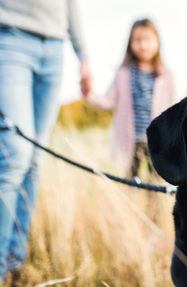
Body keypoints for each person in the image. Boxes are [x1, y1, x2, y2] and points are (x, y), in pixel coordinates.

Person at [0, 0, 92, 280]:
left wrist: (83, 55)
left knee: (34, 160)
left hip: (55, 47)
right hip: (10, 38)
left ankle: (15, 260)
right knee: (15, 154)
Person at [83, 19, 175, 180]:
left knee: (155, 182)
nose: (143, 45)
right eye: (138, 40)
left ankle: (153, 206)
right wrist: (89, 92)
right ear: (130, 43)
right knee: (131, 182)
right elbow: (107, 101)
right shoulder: (123, 73)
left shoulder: (166, 76)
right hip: (132, 142)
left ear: (157, 42)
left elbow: (174, 110)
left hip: (158, 142)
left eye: (148, 40)